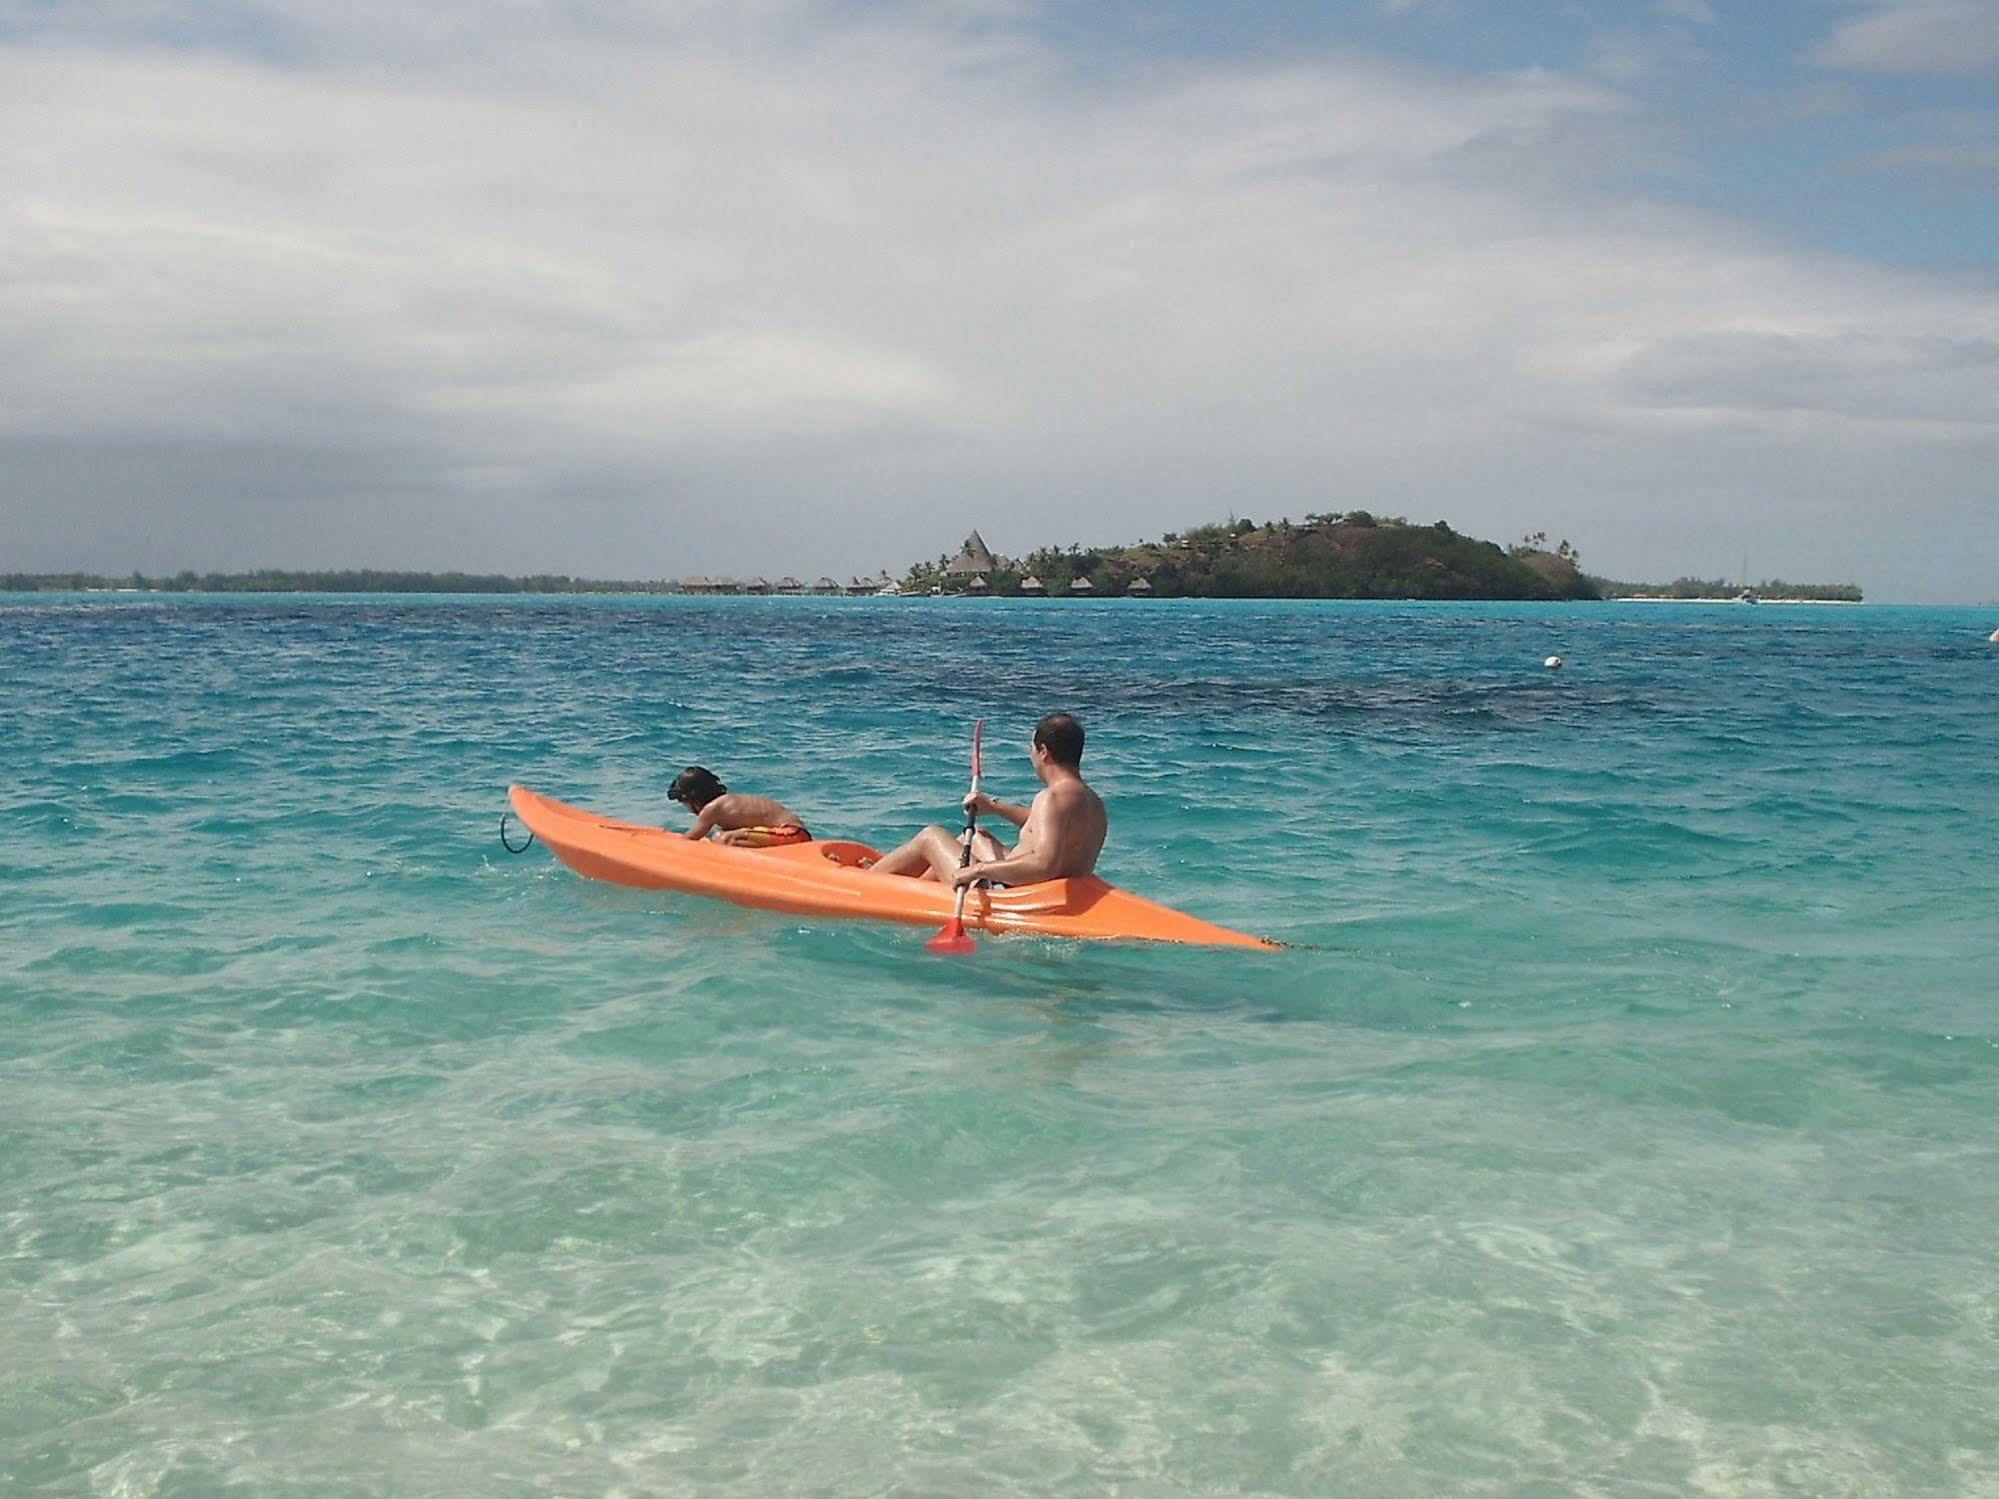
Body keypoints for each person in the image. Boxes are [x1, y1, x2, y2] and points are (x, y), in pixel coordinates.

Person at [872, 713, 1107, 887]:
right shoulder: (1093, 802)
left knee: (931, 836)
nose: (1032, 757)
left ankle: (868, 881)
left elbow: (1044, 865)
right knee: (973, 836)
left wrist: (978, 870)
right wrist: (993, 807)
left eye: (1032, 750)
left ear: (1044, 752)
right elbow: (1044, 823)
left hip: (1012, 893)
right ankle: (914, 885)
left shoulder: (1051, 798)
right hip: (1053, 891)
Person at [668, 766, 812, 847]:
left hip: (793, 835)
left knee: (723, 839)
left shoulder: (712, 809)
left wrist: (666, 846)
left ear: (695, 800)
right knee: (721, 836)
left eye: (684, 803)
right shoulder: (727, 805)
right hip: (793, 834)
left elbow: (690, 840)